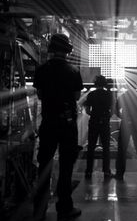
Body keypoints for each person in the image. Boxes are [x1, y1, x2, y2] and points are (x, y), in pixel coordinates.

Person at [33, 33, 83, 221]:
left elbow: (39, 94)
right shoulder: (72, 70)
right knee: (66, 167)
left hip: (48, 123)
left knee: (44, 166)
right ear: (67, 51)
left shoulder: (41, 70)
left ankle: (39, 210)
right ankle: (64, 208)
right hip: (67, 125)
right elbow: (77, 97)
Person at [114, 86, 137, 181]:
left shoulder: (124, 96)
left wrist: (122, 117)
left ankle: (119, 173)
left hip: (126, 123)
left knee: (122, 149)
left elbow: (115, 109)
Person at [84, 75, 113, 180]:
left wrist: (94, 115)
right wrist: (106, 116)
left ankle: (88, 172)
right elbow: (112, 110)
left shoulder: (91, 94)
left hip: (94, 122)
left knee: (91, 147)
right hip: (104, 122)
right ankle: (106, 171)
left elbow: (87, 111)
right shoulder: (108, 95)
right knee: (106, 148)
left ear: (95, 84)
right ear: (104, 83)